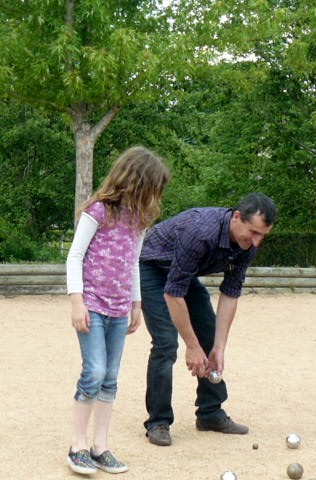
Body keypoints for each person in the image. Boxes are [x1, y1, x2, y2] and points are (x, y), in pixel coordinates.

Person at [140, 192, 277, 447]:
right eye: (253, 232)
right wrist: (192, 346)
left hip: (182, 273)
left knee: (209, 334)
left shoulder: (246, 245)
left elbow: (230, 294)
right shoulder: (201, 231)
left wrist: (219, 346)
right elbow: (173, 293)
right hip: (151, 267)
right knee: (166, 343)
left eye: (262, 236)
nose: (256, 241)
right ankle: (158, 421)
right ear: (237, 217)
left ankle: (210, 412)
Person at [66, 147, 170, 475]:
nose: (154, 196)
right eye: (152, 187)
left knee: (110, 379)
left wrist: (136, 304)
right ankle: (78, 445)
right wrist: (77, 301)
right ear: (136, 181)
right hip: (92, 306)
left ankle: (100, 446)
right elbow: (74, 256)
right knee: (94, 372)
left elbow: (133, 264)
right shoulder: (97, 211)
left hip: (119, 308)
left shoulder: (139, 221)